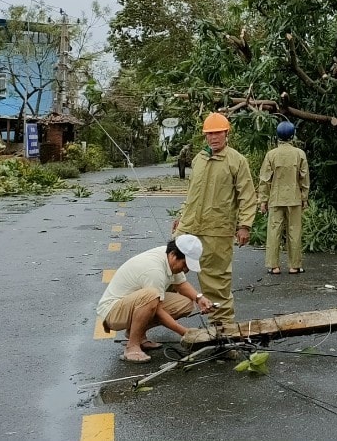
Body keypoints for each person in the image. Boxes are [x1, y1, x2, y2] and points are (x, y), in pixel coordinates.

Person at [172, 112, 258, 328]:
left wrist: (244, 226)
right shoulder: (199, 159)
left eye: (217, 133)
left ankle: (223, 328)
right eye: (209, 134)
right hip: (188, 226)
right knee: (167, 270)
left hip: (217, 231)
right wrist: (181, 216)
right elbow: (192, 193)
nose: (213, 138)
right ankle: (152, 316)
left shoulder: (236, 161)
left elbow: (247, 195)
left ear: (226, 133)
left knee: (216, 281)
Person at [95, 234, 213, 363]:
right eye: (185, 265)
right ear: (174, 255)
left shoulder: (168, 256)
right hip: (113, 312)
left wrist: (199, 298)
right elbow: (157, 309)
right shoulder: (154, 269)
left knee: (186, 303)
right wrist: (186, 332)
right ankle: (132, 347)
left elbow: (180, 284)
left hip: (131, 304)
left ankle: (138, 335)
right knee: (151, 296)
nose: (185, 270)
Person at [259, 120, 310, 275]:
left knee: (274, 231)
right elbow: (304, 178)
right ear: (292, 135)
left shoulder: (271, 155)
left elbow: (264, 179)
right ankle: (294, 266)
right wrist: (304, 197)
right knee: (294, 231)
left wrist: (263, 200)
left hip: (275, 198)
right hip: (294, 198)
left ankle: (273, 266)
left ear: (278, 135)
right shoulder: (299, 154)